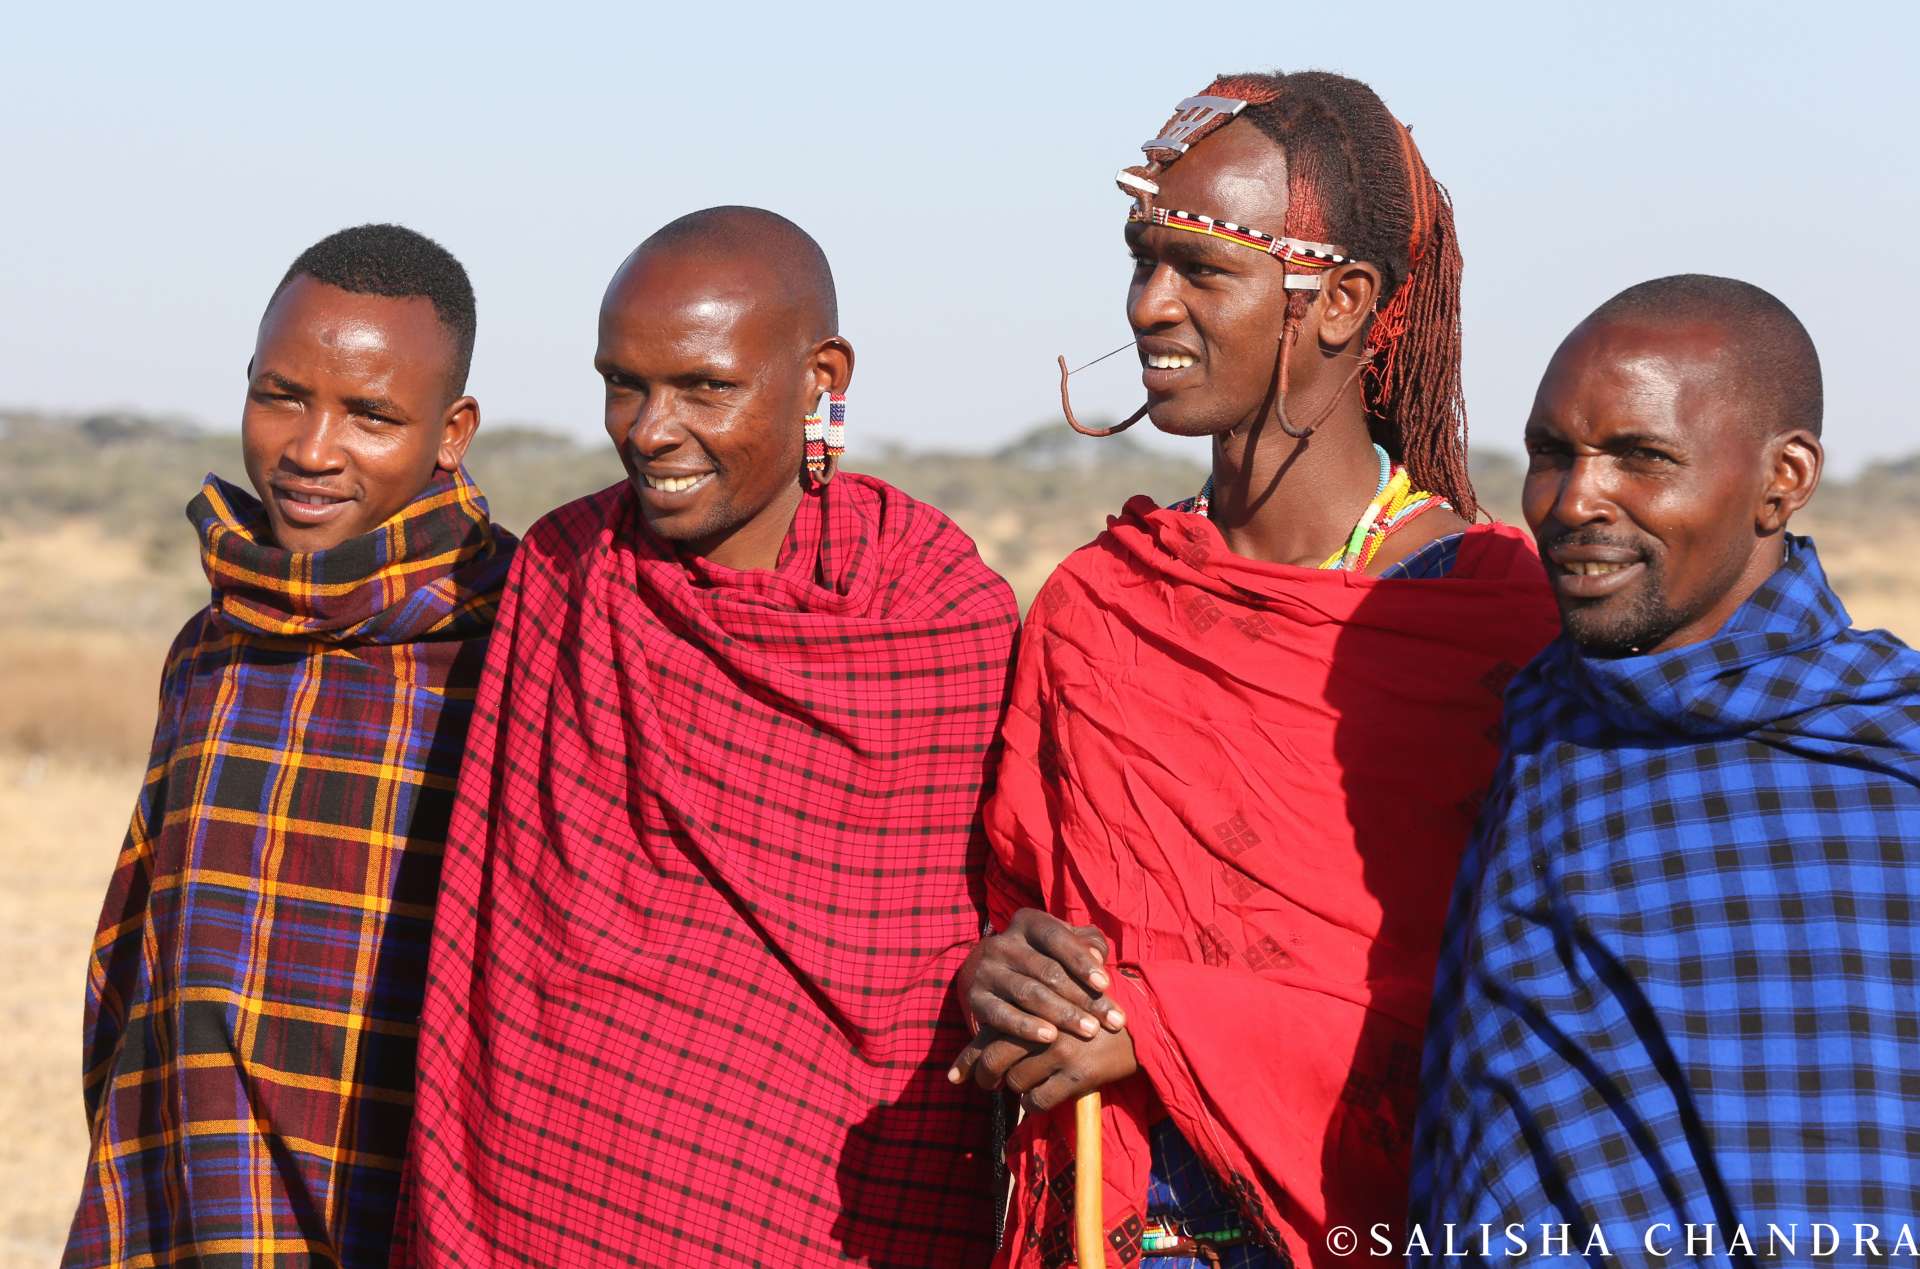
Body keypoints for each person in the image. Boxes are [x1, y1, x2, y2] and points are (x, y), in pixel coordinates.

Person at [950, 73, 1560, 1267]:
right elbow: (1017, 901)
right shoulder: (1099, 604)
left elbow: (1517, 1012)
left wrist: (1162, 1021)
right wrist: (1008, 969)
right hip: (1108, 1222)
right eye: (1142, 260)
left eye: (1202, 269)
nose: (1150, 306)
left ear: (1340, 302)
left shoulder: (1494, 627)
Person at [401, 206, 1020, 1266]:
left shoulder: (937, 621)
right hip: (538, 1196)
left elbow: (943, 956)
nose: (648, 428)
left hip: (836, 1205)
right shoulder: (567, 571)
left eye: (704, 387)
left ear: (824, 376)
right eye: (622, 384)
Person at [1409, 275, 1920, 1260]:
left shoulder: (1888, 758)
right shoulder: (1549, 731)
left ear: (1787, 478)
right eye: (1551, 454)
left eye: (1642, 458)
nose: (1573, 501)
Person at [64, 224, 515, 1268]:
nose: (311, 450)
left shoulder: (510, 654)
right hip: (191, 1194)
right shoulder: (215, 645)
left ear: (452, 432)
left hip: (402, 1208)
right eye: (281, 396)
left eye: (370, 415)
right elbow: (144, 972)